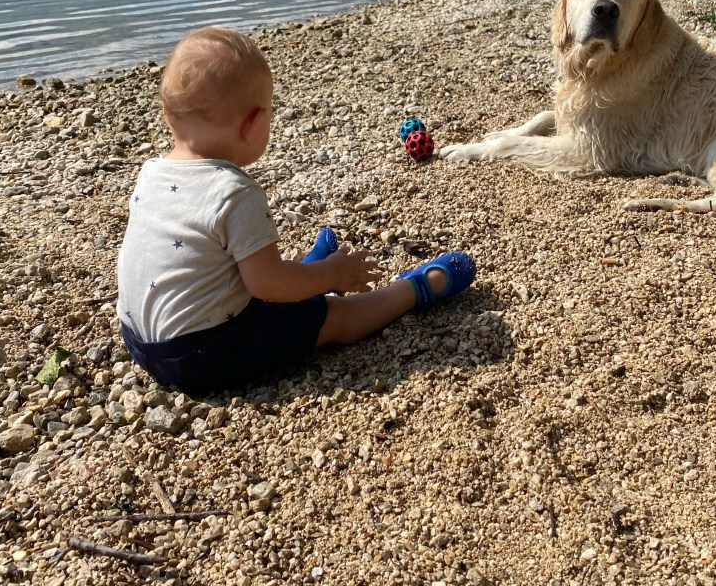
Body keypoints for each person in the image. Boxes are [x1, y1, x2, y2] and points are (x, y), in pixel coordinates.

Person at [116, 26, 475, 394]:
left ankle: (308, 277)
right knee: (332, 317)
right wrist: (334, 273)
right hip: (203, 353)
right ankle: (413, 289)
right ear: (254, 125)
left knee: (236, 268)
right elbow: (267, 285)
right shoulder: (233, 192)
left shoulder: (152, 171)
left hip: (141, 342)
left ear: (168, 113)